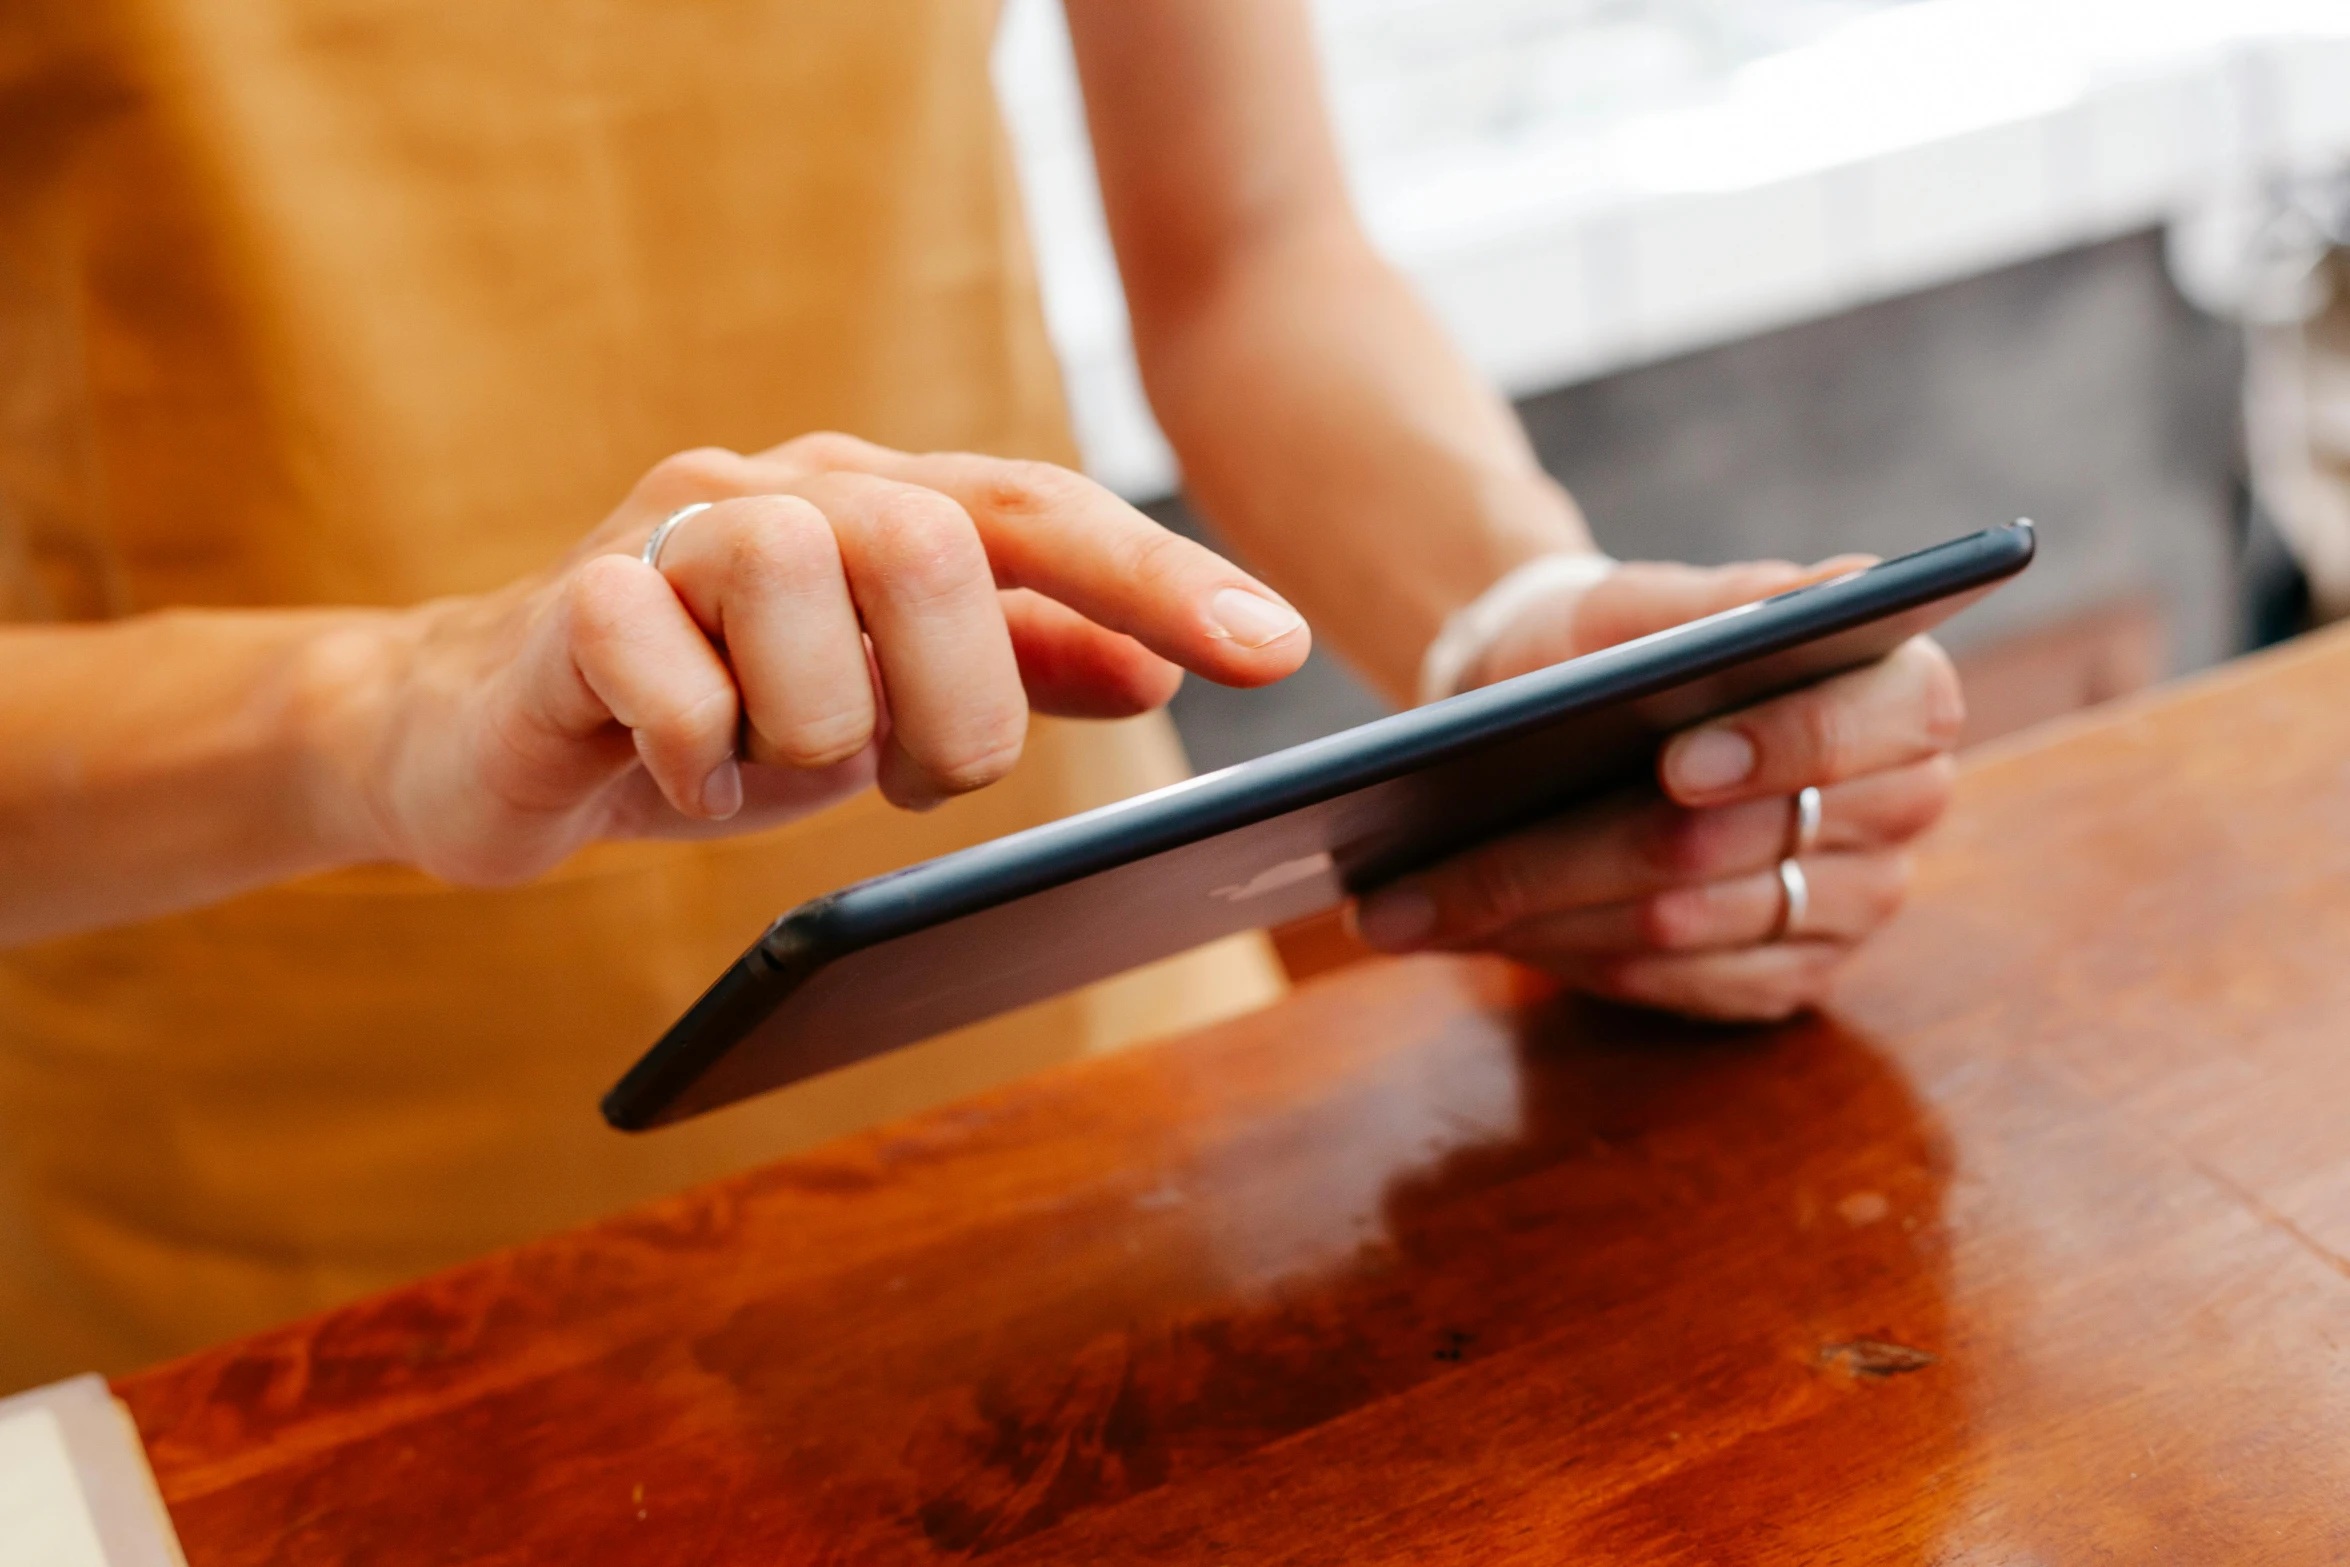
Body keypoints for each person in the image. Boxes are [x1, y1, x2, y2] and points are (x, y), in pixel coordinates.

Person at [0, 0, 1959, 1390]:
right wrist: (388, 703)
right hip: (298, 1289)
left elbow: (1247, 252)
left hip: (1116, 1115)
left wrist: (1513, 623)